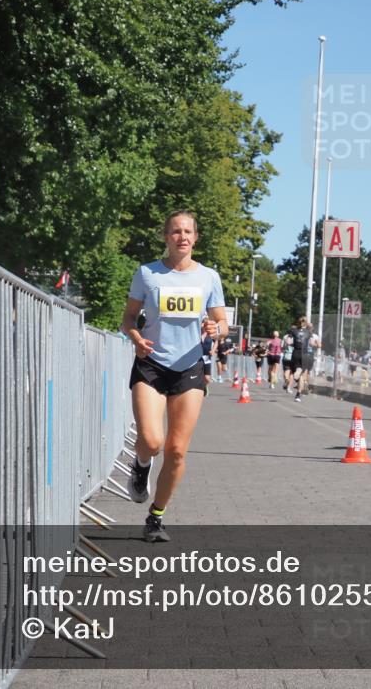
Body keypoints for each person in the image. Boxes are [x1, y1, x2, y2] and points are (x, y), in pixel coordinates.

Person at [121, 210, 227, 542]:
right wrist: (135, 337)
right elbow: (127, 319)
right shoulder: (147, 273)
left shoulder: (209, 277)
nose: (182, 237)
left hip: (189, 367)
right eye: (175, 231)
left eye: (187, 232)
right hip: (151, 363)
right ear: (166, 237)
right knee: (152, 441)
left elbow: (222, 323)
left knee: (177, 450)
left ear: (196, 238)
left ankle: (155, 518)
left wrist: (216, 328)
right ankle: (140, 465)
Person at [284, 317, 315, 402]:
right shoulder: (309, 332)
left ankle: (297, 377)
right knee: (301, 375)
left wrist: (292, 344)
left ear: (298, 323)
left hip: (295, 353)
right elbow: (312, 343)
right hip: (304, 354)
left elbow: (288, 342)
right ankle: (298, 395)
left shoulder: (293, 331)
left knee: (295, 375)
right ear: (306, 323)